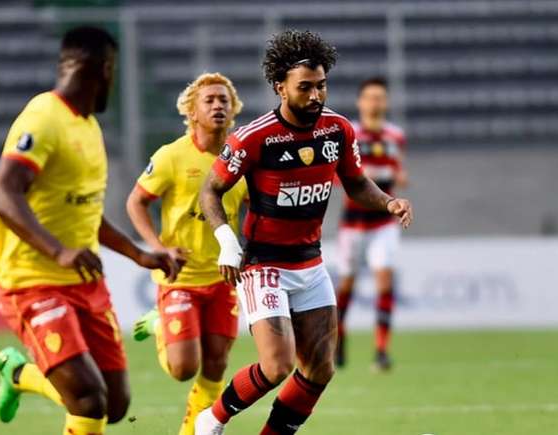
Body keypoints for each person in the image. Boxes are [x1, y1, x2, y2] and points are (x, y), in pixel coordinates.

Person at [195, 30, 413, 435]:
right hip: (263, 264)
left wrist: (388, 202)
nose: (316, 96)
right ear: (280, 87)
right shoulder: (254, 137)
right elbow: (211, 189)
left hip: (310, 263)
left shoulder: (337, 130)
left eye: (322, 86)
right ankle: (212, 419)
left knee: (319, 369)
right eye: (305, 88)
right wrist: (227, 241)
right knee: (277, 365)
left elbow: (357, 182)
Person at [0, 26, 180, 435]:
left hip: (85, 283)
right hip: (33, 284)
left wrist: (140, 255)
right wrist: (57, 251)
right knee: (88, 400)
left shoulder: (89, 129)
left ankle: (19, 374)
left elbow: (87, 214)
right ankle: (27, 375)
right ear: (104, 69)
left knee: (114, 404)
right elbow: (3, 194)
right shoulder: (43, 117)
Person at [126, 72, 247, 435]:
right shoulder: (171, 157)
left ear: (233, 108)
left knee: (216, 364)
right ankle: (158, 323)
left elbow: (256, 208)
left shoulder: (241, 159)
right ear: (192, 112)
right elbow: (136, 203)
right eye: (209, 100)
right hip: (180, 278)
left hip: (223, 278)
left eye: (224, 100)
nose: (217, 105)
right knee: (182, 368)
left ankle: (192, 431)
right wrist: (158, 247)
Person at [335, 77, 408, 371]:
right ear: (360, 102)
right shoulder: (350, 134)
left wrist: (398, 177)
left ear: (386, 102)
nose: (375, 103)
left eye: (380, 98)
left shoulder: (395, 135)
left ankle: (381, 350)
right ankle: (338, 337)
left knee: (384, 281)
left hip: (383, 224)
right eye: (370, 97)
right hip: (353, 224)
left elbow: (398, 168)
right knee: (347, 285)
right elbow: (342, 173)